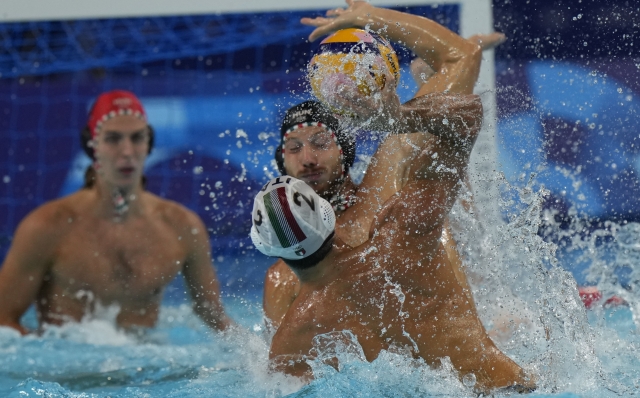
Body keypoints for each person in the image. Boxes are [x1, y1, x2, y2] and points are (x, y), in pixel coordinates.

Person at [249, 88, 535, 392]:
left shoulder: (290, 343)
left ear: (268, 248)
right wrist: (399, 118)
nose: (307, 159)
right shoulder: (403, 238)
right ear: (326, 217)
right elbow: (468, 113)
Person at [263, 0, 505, 329]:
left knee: (441, 180)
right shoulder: (284, 277)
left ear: (345, 148)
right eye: (294, 148)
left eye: (320, 143)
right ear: (281, 162)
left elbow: (462, 56)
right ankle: (424, 80)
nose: (307, 159)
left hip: (460, 336)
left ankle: (425, 81)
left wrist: (368, 17)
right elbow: (281, 372)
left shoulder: (386, 177)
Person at [0, 90, 231, 334]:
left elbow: (215, 319)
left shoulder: (181, 226)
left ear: (149, 144)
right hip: (70, 369)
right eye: (113, 139)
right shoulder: (47, 226)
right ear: (92, 145)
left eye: (137, 138)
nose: (127, 151)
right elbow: (3, 322)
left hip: (149, 367)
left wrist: (259, 358)